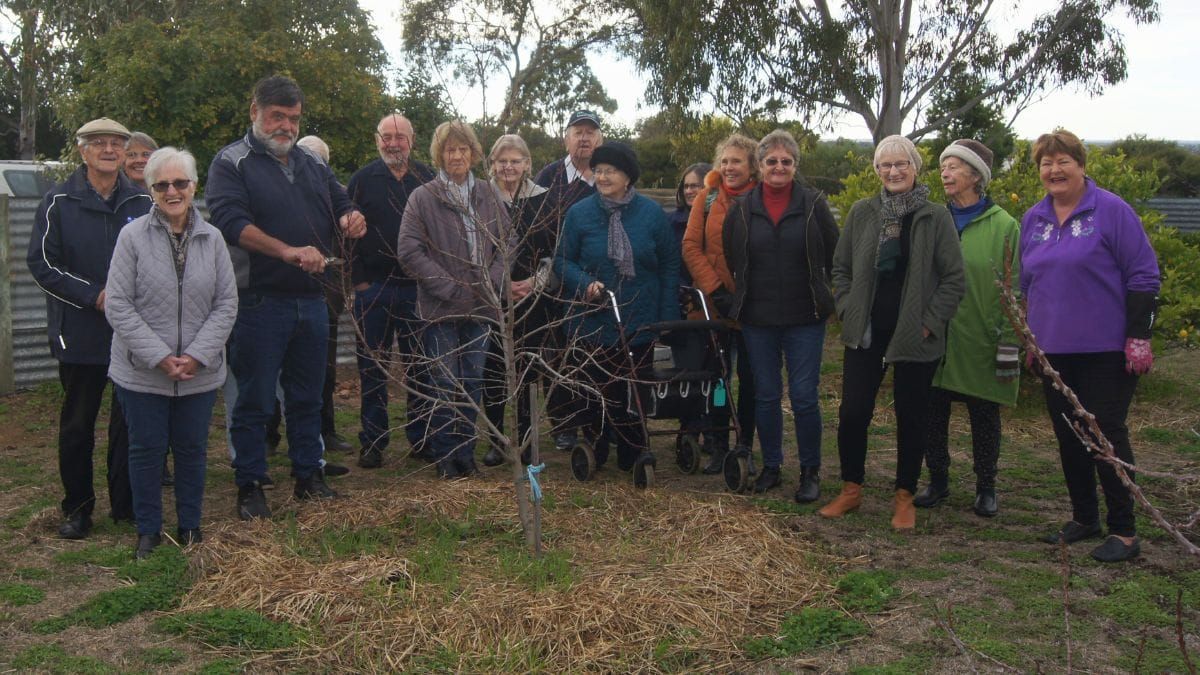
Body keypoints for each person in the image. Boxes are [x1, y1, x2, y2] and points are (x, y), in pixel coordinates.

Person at [206, 75, 366, 520]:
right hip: (259, 300)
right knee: (254, 399)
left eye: (293, 119)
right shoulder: (230, 163)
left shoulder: (313, 164)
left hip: (312, 300)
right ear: (254, 113)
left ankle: (307, 477)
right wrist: (288, 251)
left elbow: (340, 201)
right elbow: (230, 222)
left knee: (307, 395)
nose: (286, 126)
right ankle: (250, 483)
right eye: (277, 116)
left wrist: (353, 217)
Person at [1021, 129, 1160, 563]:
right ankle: (1084, 517)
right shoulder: (1034, 219)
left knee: (1105, 436)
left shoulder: (1111, 211)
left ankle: (1125, 531)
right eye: (1046, 162)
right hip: (1053, 351)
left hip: (1105, 350)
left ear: (1081, 166)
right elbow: (1028, 285)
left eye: (1063, 161)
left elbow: (1143, 275)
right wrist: (1030, 340)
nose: (1054, 169)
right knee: (1068, 436)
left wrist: (1139, 335)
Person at [819, 134, 965, 531]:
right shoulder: (863, 212)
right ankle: (851, 489)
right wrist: (848, 307)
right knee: (852, 413)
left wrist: (929, 322)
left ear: (916, 168)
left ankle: (904, 496)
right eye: (886, 164)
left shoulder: (935, 216)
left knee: (911, 416)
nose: (894, 171)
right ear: (877, 170)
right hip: (866, 330)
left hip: (915, 335)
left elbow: (954, 279)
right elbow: (841, 269)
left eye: (902, 164)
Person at [104, 147, 237, 558]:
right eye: (162, 185)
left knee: (192, 450)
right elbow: (118, 305)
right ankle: (148, 530)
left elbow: (226, 303)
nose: (172, 191)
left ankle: (191, 526)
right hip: (142, 372)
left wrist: (197, 355)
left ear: (194, 186)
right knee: (145, 450)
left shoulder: (213, 239)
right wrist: (159, 356)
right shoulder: (132, 237)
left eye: (181, 183)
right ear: (151, 189)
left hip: (199, 371)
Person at [27, 117, 152, 539]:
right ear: (82, 150)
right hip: (79, 331)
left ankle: (126, 504)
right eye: (98, 143)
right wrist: (95, 295)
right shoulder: (58, 201)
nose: (109, 150)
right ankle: (77, 508)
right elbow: (42, 264)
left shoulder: (141, 201)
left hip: (130, 331)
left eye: (117, 143)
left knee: (129, 421)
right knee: (79, 424)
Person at [720, 130, 839, 500]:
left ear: (795, 166)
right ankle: (772, 466)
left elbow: (834, 253)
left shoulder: (813, 203)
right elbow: (732, 255)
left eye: (786, 161)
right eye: (771, 160)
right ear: (760, 165)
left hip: (806, 316)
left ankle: (810, 471)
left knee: (803, 396)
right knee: (767, 396)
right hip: (758, 318)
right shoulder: (742, 209)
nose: (778, 167)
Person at [396, 120, 515, 478]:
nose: (457, 155)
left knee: (473, 381)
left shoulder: (488, 195)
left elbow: (508, 243)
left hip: (481, 308)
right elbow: (408, 250)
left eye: (463, 149)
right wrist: (448, 286)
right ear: (439, 154)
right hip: (441, 308)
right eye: (450, 150)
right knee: (445, 383)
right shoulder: (423, 197)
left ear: (474, 153)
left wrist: (491, 281)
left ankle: (467, 455)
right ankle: (446, 457)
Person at [554, 141, 681, 473]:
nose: (603, 176)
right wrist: (585, 283)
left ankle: (633, 449)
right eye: (598, 171)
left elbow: (669, 265)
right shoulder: (579, 214)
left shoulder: (651, 214)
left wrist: (667, 315)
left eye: (610, 170)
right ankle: (595, 443)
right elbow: (562, 262)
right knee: (595, 387)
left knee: (633, 387)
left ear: (628, 176)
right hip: (593, 318)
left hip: (640, 316)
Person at [914, 140, 1021, 518]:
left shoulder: (1005, 226)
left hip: (980, 338)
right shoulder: (930, 219)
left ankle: (986, 487)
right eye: (943, 166)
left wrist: (1008, 345)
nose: (945, 173)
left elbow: (1015, 289)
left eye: (955, 166)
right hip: (935, 336)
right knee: (932, 411)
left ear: (977, 175)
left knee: (984, 416)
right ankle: (937, 480)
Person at [348, 114, 435, 469]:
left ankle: (422, 437)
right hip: (375, 290)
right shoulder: (361, 180)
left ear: (412, 140)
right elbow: (346, 233)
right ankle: (373, 441)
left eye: (400, 136)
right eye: (386, 136)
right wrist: (360, 283)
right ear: (376, 140)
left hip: (419, 290)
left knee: (422, 368)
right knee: (372, 369)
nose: (393, 143)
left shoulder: (428, 179)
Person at [682, 133, 761, 475]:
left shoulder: (763, 198)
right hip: (714, 307)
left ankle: (744, 443)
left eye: (737, 161)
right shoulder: (708, 198)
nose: (729, 167)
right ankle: (717, 442)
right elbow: (691, 247)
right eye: (725, 161)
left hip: (755, 308)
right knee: (717, 378)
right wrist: (715, 291)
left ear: (752, 166)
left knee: (751, 379)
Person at [481, 134, 555, 467]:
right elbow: (474, 251)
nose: (508, 167)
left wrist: (533, 283)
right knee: (492, 369)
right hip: (490, 299)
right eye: (502, 161)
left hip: (532, 300)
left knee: (526, 370)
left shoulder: (544, 201)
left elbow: (555, 252)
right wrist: (500, 286)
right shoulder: (480, 198)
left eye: (515, 161)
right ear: (492, 164)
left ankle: (525, 440)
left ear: (527, 164)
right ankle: (497, 440)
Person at [535, 110, 603, 452]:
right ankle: (564, 425)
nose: (584, 138)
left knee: (595, 356)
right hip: (557, 284)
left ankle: (596, 422)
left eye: (591, 132)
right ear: (566, 137)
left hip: (600, 286)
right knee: (559, 356)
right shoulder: (548, 176)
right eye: (578, 132)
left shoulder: (607, 176)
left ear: (600, 139)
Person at [669, 162, 711, 284]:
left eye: (694, 186)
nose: (688, 191)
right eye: (685, 186)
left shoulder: (721, 219)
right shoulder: (671, 223)